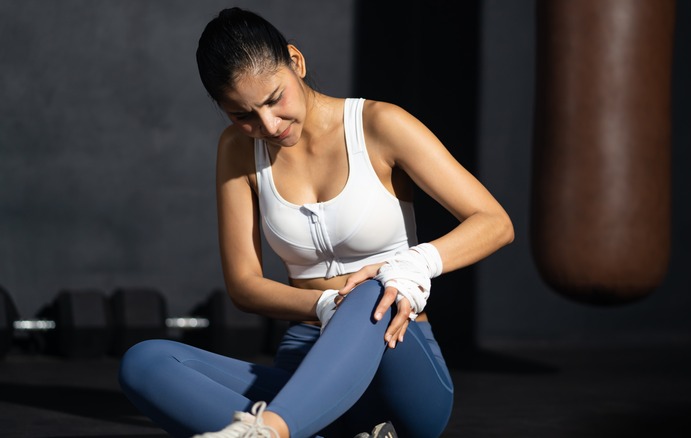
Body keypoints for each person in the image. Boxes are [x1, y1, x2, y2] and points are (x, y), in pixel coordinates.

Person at [118, 6, 513, 438]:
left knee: (372, 286)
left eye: (274, 100)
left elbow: (494, 222)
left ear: (297, 62)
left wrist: (413, 265)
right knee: (145, 363)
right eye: (242, 115)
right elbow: (244, 284)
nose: (266, 124)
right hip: (303, 369)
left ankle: (269, 431)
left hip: (398, 364)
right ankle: (308, 426)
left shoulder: (380, 125)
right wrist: (325, 306)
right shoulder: (237, 149)